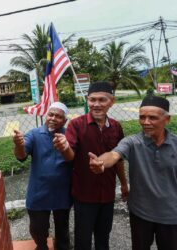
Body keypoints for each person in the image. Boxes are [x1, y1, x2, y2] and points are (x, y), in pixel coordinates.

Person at [89, 95, 177, 250]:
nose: (146, 122)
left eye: (152, 118)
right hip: (141, 214)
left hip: (171, 215)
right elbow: (114, 154)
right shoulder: (133, 142)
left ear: (167, 119)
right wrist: (101, 163)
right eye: (142, 117)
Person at [53, 81, 129, 250]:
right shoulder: (76, 125)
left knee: (104, 237)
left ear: (112, 102)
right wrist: (64, 148)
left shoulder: (116, 127)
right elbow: (70, 155)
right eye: (92, 99)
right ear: (87, 100)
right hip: (84, 195)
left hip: (108, 194)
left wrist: (124, 184)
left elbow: (119, 160)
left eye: (102, 100)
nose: (96, 104)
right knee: (83, 239)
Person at [13, 102, 72, 250]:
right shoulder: (34, 134)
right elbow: (21, 155)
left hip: (62, 192)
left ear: (65, 121)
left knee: (62, 229)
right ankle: (41, 246)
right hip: (39, 192)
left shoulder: (69, 135)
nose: (53, 118)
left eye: (58, 116)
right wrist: (19, 145)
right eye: (50, 114)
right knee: (38, 229)